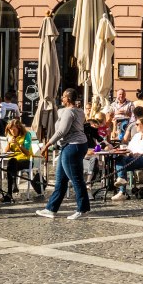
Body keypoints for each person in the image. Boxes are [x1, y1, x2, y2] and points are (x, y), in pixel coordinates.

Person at [38, 88, 91, 219]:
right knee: (60, 179)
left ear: (68, 98)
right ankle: (51, 209)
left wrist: (47, 145)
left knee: (76, 179)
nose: (61, 98)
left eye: (63, 97)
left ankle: (82, 209)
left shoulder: (69, 112)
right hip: (73, 145)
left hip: (72, 147)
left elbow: (62, 131)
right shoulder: (79, 111)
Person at [110, 116, 143, 202]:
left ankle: (122, 191)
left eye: (137, 124)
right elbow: (130, 148)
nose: (135, 126)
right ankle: (122, 183)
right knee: (119, 159)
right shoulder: (136, 136)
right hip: (132, 158)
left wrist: (140, 154)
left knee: (122, 163)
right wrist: (128, 152)